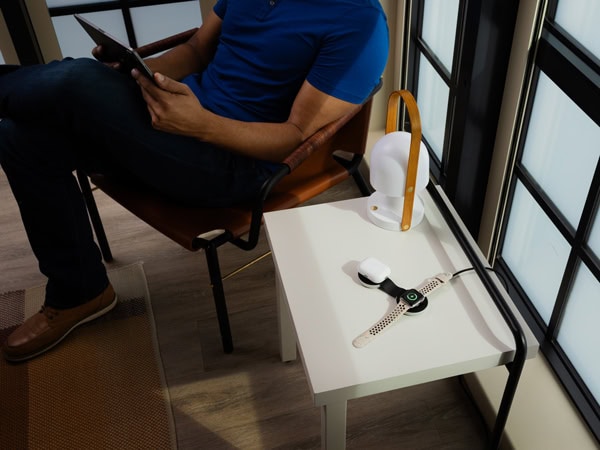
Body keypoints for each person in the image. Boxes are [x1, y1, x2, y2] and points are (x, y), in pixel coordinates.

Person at [0, 0, 389, 362]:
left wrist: (200, 126)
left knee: (77, 80)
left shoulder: (359, 24)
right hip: (175, 125)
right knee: (21, 137)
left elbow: (293, 136)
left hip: (233, 164)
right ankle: (80, 291)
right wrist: (132, 76)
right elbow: (198, 50)